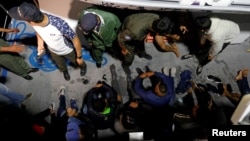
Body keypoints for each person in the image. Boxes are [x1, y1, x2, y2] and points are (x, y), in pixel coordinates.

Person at [9, 2, 87, 81]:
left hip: (67, 50)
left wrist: (79, 57)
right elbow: (38, 32)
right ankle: (64, 71)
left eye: (23, 20)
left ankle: (83, 66)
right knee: (60, 65)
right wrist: (40, 44)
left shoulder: (60, 24)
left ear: (31, 22)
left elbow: (76, 40)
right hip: (53, 50)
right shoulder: (34, 20)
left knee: (78, 62)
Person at [118, 13, 187, 74]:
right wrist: (123, 48)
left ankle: (142, 54)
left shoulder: (157, 18)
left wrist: (178, 28)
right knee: (129, 55)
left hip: (138, 25)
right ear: (158, 33)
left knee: (141, 45)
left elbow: (168, 23)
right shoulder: (134, 32)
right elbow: (121, 38)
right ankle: (126, 65)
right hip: (128, 34)